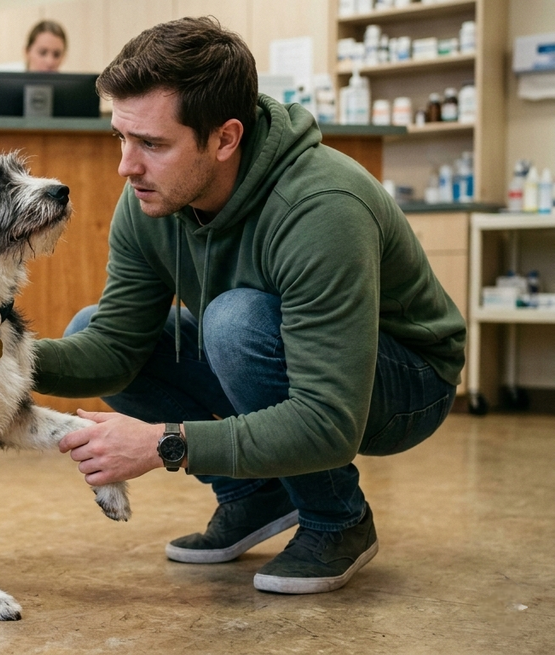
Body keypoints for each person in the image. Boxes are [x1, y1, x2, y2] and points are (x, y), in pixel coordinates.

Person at [37, 17, 465, 594]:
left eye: (153, 144)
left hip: (406, 381)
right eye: (122, 137)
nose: (126, 166)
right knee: (91, 324)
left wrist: (166, 442)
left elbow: (329, 421)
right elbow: (114, 350)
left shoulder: (321, 207)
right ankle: (252, 495)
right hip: (276, 351)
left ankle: (337, 520)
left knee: (235, 321)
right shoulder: (147, 196)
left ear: (225, 139)